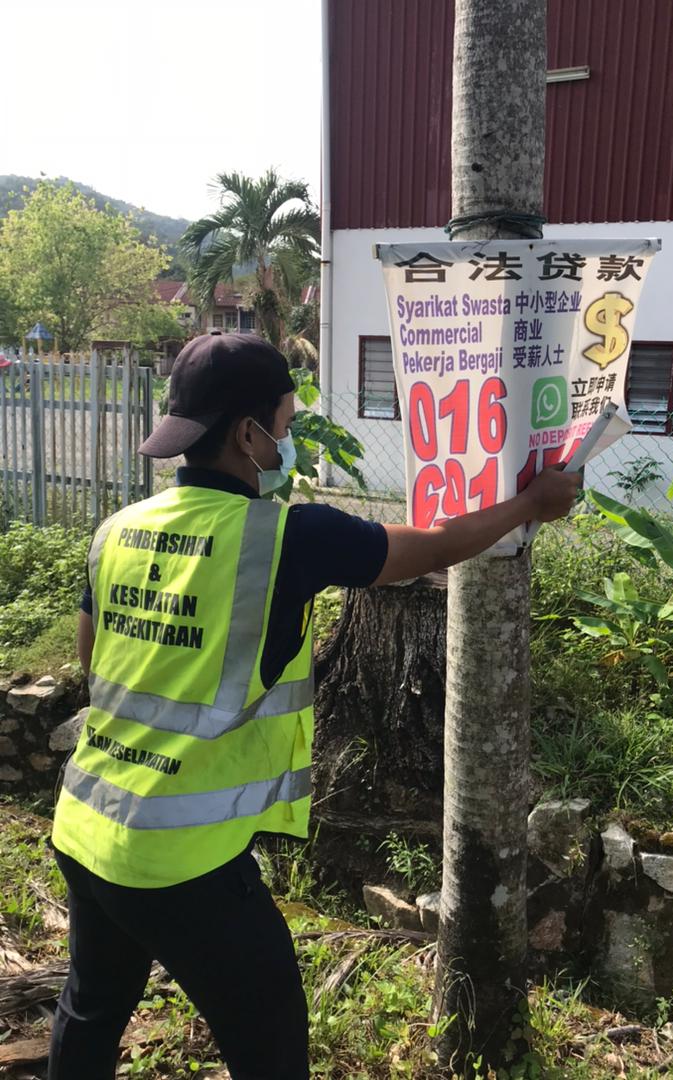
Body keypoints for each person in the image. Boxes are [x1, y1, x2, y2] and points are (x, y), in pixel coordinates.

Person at [48, 332, 581, 1080]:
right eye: (286, 428)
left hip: (85, 823)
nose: (287, 444)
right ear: (246, 434)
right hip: (183, 861)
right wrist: (531, 502)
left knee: (91, 1010)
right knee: (270, 1049)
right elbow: (427, 549)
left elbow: (93, 663)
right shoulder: (287, 537)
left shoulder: (116, 532)